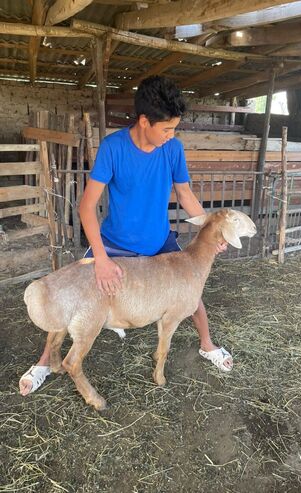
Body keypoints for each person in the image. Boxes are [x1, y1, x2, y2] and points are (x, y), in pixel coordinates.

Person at [19, 76, 233, 396]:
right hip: (115, 242)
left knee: (192, 294)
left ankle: (207, 344)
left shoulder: (172, 149)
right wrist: (102, 260)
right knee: (79, 295)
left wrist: (213, 231)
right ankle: (44, 362)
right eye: (166, 129)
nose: (171, 135)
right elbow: (87, 206)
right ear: (145, 121)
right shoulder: (113, 147)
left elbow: (185, 194)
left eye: (174, 129)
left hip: (158, 240)